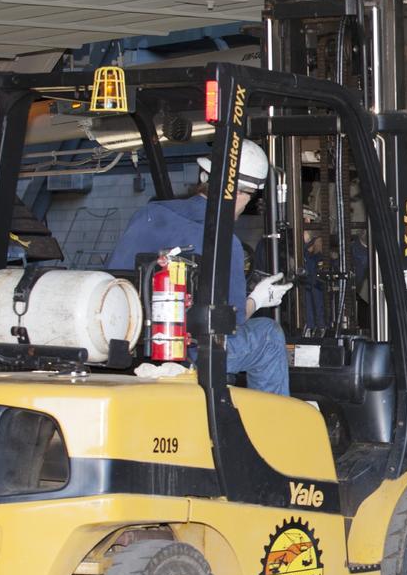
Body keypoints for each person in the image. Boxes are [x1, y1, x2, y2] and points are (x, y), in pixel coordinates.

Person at [109, 140, 294, 395]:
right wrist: (258, 299)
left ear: (204, 176)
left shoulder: (148, 214)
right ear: (242, 193)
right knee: (268, 335)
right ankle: (275, 429)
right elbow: (232, 321)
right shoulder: (224, 241)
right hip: (188, 353)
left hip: (130, 342)